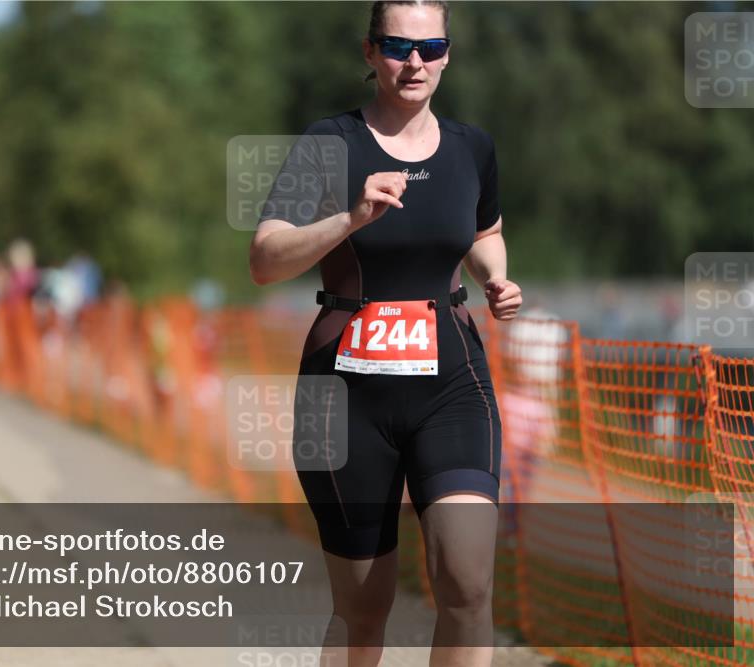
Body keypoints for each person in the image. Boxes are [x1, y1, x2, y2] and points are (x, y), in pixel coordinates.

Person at [249, 3, 522, 666]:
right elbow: (265, 259)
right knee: (364, 609)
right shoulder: (328, 143)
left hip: (451, 382)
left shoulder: (472, 148)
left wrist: (495, 277)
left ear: (448, 54)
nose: (416, 61)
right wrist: (350, 216)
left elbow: (485, 233)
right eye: (399, 46)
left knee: (467, 581)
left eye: (431, 47)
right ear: (371, 52)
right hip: (345, 396)